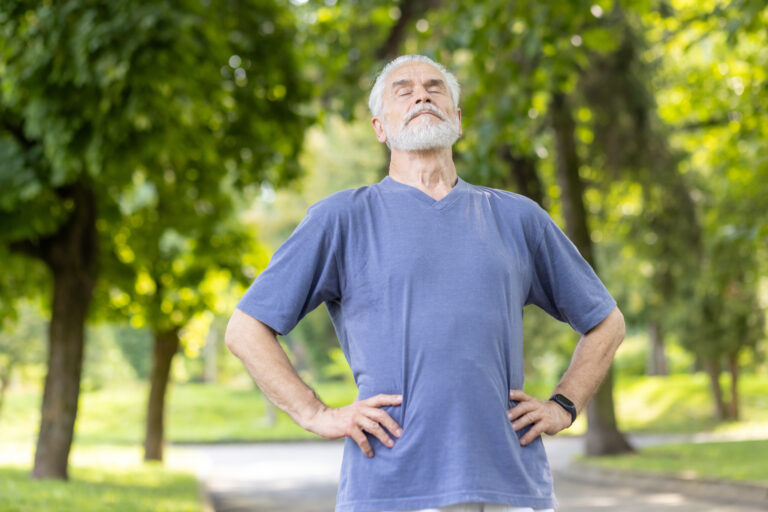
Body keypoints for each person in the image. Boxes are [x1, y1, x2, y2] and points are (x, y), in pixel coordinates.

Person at [225, 54, 626, 512]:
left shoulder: (518, 218)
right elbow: (245, 330)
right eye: (404, 89)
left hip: (509, 487)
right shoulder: (343, 219)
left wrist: (563, 405)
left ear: (456, 118)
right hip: (390, 488)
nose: (422, 94)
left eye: (436, 88)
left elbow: (606, 323)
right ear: (380, 127)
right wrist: (316, 413)